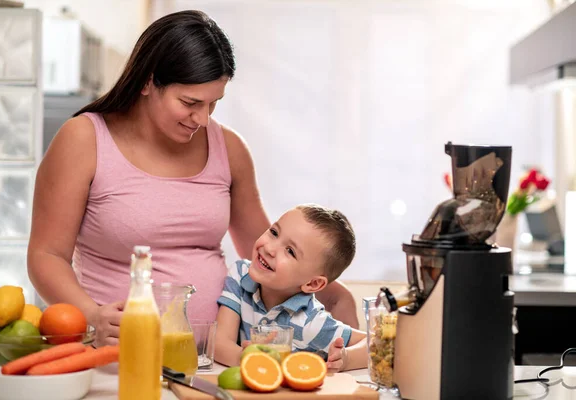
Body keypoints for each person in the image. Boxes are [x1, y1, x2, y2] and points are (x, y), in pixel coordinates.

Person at [27, 10, 358, 348]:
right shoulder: (84, 139)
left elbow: (264, 250)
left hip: (211, 361)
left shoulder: (229, 148)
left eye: (213, 104)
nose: (202, 119)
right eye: (190, 102)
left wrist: (334, 296)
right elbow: (46, 255)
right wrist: (91, 315)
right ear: (147, 81)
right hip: (116, 355)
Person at [214, 204, 367, 372]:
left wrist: (346, 359)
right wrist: (247, 359)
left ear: (312, 284)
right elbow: (220, 342)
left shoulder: (310, 322)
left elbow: (374, 343)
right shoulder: (240, 274)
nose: (270, 248)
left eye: (290, 251)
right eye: (274, 233)